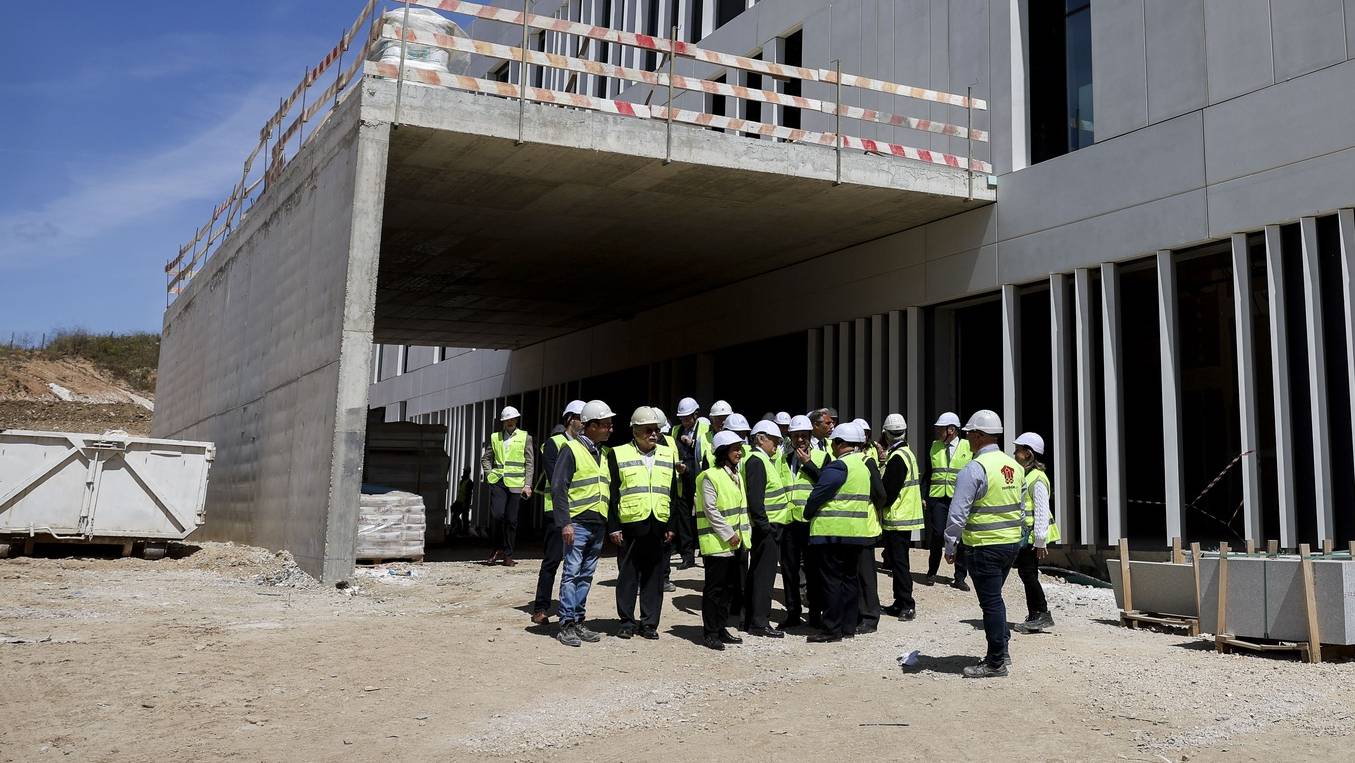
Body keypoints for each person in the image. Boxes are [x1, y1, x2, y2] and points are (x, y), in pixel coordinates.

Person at [944, 410, 1026, 678]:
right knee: (995, 600)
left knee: (991, 603)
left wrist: (950, 544)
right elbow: (1021, 508)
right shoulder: (1014, 466)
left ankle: (995, 661)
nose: (966, 437)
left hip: (984, 545)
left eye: (969, 433)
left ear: (979, 436)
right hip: (1010, 544)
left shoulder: (975, 468)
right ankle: (1002, 652)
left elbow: (958, 512)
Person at [803, 422, 886, 643]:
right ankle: (848, 626)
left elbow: (818, 494)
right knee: (850, 580)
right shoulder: (864, 465)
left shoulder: (839, 466)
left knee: (831, 582)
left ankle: (831, 629)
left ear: (840, 444)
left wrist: (807, 512)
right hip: (856, 534)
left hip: (831, 534)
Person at [607, 407, 679, 640]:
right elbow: (611, 494)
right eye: (648, 430)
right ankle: (626, 622)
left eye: (656, 430)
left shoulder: (667, 455)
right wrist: (614, 526)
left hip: (658, 523)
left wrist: (671, 525)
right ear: (635, 431)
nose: (653, 434)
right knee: (628, 576)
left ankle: (649, 623)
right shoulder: (618, 454)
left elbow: (672, 493)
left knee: (654, 577)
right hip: (630, 524)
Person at [551, 400, 616, 647]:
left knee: (586, 574)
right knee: (571, 573)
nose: (610, 428)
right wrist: (565, 523)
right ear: (591, 426)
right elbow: (559, 488)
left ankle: (578, 620)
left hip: (597, 522)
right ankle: (566, 624)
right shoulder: (571, 449)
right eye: (606, 425)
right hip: (577, 523)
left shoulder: (602, 453)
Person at [530, 400, 584, 624]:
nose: (586, 423)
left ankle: (570, 609)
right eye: (583, 418)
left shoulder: (585, 444)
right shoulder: (554, 443)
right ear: (571, 419)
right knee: (552, 560)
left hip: (580, 509)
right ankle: (541, 607)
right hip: (557, 512)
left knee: (577, 565)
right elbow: (557, 478)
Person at [696, 430, 752, 650]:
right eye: (735, 449)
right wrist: (729, 534)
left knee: (729, 589)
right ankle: (710, 632)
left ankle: (720, 627)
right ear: (723, 452)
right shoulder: (710, 476)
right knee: (715, 589)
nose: (739, 452)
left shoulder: (736, 475)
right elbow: (711, 510)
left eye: (739, 448)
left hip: (735, 543)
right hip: (717, 542)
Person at [741, 420, 791, 638]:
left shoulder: (762, 459)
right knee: (763, 576)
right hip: (766, 528)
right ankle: (759, 622)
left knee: (758, 574)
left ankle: (751, 619)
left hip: (769, 526)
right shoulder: (757, 460)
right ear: (761, 438)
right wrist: (765, 527)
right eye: (775, 441)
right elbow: (755, 499)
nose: (777, 446)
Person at [1012, 431, 1059, 634]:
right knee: (1026, 574)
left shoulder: (1037, 479)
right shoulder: (1028, 476)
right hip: (1028, 535)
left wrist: (1040, 540)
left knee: (1029, 575)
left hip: (1032, 537)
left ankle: (1041, 614)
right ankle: (1034, 615)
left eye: (1019, 450)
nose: (1015, 453)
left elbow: (1041, 510)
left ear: (1029, 454)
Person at [781, 414, 825, 629]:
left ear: (810, 435)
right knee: (789, 571)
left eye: (804, 436)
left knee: (813, 570)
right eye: (796, 436)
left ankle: (815, 613)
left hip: (811, 522)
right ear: (789, 436)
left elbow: (826, 483)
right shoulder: (783, 459)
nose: (800, 440)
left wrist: (808, 464)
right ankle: (792, 612)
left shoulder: (822, 456)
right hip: (788, 523)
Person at [879, 414, 922, 621]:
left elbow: (889, 490)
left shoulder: (897, 457)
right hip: (905, 515)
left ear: (886, 433)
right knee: (898, 563)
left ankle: (907, 603)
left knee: (900, 563)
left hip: (898, 517)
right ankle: (899, 601)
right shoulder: (906, 453)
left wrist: (879, 504)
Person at [480, 406, 534, 566]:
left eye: (512, 419)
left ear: (516, 420)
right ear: (503, 422)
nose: (510, 422)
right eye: (507, 420)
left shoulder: (525, 437)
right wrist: (490, 475)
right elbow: (486, 458)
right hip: (499, 482)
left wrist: (528, 485)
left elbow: (529, 462)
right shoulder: (495, 437)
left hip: (517, 484)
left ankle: (508, 553)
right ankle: (497, 548)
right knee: (497, 515)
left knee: (511, 520)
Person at [926, 411, 971, 590]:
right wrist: (925, 496)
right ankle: (931, 572)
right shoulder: (935, 446)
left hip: (959, 498)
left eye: (941, 429)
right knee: (937, 534)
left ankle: (960, 577)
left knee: (961, 537)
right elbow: (929, 473)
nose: (938, 432)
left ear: (951, 430)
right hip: (937, 497)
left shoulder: (967, 447)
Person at [671, 397, 706, 570]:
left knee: (702, 514)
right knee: (683, 516)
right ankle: (687, 555)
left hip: (699, 476)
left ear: (696, 414)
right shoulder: (675, 430)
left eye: (687, 417)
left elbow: (707, 452)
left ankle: (705, 552)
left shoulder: (705, 428)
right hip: (681, 476)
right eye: (682, 418)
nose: (684, 421)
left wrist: (692, 443)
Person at [450, 468, 473, 537]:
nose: (464, 473)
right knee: (455, 514)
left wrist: (466, 503)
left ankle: (464, 532)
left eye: (465, 472)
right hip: (459, 501)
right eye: (464, 471)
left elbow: (469, 494)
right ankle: (458, 529)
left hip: (464, 502)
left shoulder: (469, 482)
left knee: (464, 517)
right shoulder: (462, 481)